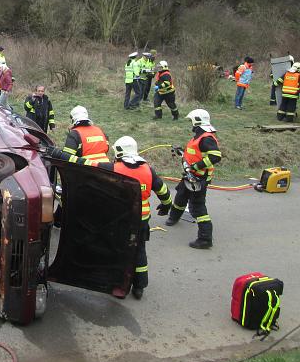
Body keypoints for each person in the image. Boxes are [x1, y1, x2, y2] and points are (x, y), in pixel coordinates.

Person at [43, 136, 172, 299]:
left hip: (121, 220)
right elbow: (164, 192)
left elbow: (83, 163)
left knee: (119, 252)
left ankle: (118, 285)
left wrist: (58, 154)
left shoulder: (113, 168)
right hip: (141, 221)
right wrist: (166, 205)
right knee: (139, 252)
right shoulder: (148, 170)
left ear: (119, 152)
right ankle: (139, 287)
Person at [162, 109, 222, 249]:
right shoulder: (198, 136)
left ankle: (205, 239)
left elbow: (215, 156)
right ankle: (174, 217)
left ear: (197, 121)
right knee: (181, 196)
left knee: (197, 207)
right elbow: (194, 153)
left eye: (192, 121)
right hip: (190, 177)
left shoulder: (206, 138)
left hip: (199, 179)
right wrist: (181, 151)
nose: (191, 124)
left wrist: (195, 167)